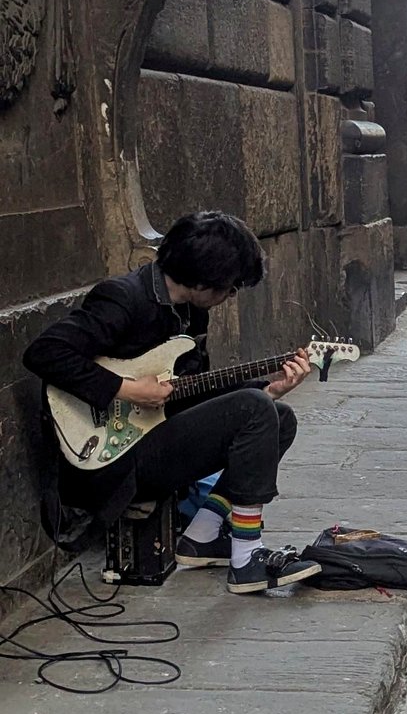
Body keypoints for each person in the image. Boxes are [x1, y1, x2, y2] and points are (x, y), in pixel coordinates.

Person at [24, 211, 321, 596]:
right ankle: (247, 558)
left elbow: (194, 396)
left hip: (154, 437)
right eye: (229, 287)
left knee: (278, 416)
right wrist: (127, 390)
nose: (231, 296)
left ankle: (201, 537)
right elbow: (44, 353)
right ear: (202, 279)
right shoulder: (123, 298)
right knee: (252, 408)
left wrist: (271, 391)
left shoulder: (191, 313)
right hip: (107, 460)